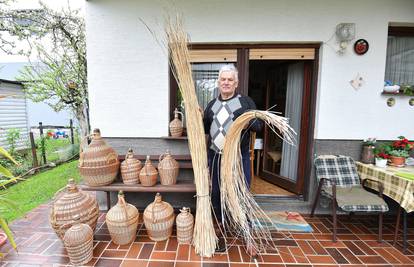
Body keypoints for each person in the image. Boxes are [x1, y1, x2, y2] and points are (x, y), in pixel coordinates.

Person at [203, 64, 262, 254]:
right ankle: (220, 229)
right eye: (223, 79)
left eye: (230, 80)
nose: (226, 82)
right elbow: (206, 131)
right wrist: (206, 162)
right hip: (216, 158)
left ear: (236, 83)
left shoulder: (245, 103)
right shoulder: (211, 106)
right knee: (217, 195)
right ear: (218, 82)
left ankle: (248, 234)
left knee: (241, 193)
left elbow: (258, 126)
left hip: (238, 158)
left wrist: (246, 123)